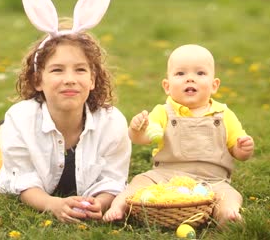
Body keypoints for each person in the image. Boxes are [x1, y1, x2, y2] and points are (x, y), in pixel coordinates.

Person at [0, 0, 132, 223]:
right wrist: (52, 203)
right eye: (57, 70)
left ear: (93, 80)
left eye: (80, 70)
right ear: (38, 80)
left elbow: (113, 178)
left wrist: (98, 203)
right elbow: (20, 177)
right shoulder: (21, 118)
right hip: (16, 141)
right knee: (2, 147)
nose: (70, 79)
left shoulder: (113, 123)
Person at [103, 44, 255, 226]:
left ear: (214, 85)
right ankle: (119, 206)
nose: (190, 79)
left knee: (230, 194)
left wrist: (243, 148)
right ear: (167, 86)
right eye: (181, 74)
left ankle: (227, 214)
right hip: (166, 175)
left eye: (200, 73)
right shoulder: (163, 112)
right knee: (140, 181)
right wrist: (137, 129)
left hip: (212, 180)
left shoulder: (224, 114)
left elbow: (238, 152)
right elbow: (142, 139)